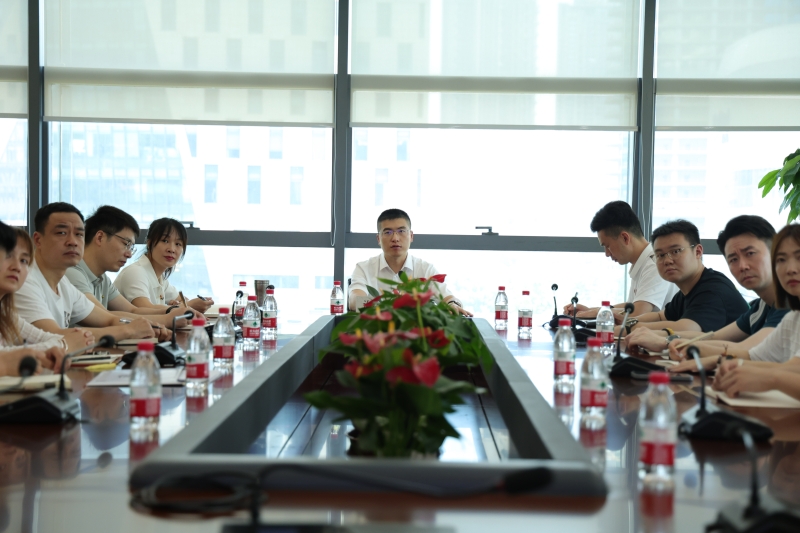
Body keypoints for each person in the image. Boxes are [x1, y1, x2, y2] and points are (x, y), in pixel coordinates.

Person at [628, 216, 788, 363]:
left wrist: (666, 342)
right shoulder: (760, 307)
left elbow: (748, 351)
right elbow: (713, 337)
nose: (742, 266)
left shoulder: (790, 303)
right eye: (733, 259)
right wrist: (660, 338)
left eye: (750, 253)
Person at [14, 203, 157, 342]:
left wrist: (151, 327)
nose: (73, 242)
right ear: (38, 240)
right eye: (62, 233)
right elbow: (55, 336)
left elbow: (109, 319)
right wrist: (129, 330)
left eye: (79, 234)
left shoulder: (63, 284)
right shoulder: (23, 281)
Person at [64, 206, 198, 332]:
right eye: (126, 244)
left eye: (131, 247)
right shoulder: (72, 273)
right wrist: (168, 319)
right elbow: (106, 318)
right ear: (100, 237)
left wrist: (171, 311)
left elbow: (133, 311)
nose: (129, 254)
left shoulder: (102, 279)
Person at [711, 224, 800, 400]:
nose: (790, 269)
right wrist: (732, 365)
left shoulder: (786, 309)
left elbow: (783, 370)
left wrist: (771, 378)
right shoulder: (793, 317)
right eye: (781, 260)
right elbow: (756, 357)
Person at [620, 219, 748, 337]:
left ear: (698, 252)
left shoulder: (714, 289)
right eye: (660, 255)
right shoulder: (686, 290)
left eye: (676, 251)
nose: (667, 260)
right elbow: (660, 316)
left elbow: (686, 328)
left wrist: (628, 328)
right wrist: (624, 320)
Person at [349, 208, 471, 315]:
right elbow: (354, 300)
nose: (395, 238)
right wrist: (389, 307)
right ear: (378, 239)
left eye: (401, 231)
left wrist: (453, 304)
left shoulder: (425, 269)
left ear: (411, 236)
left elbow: (448, 297)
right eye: (388, 232)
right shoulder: (363, 268)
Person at [0, 223, 85, 376]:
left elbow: (43, 338)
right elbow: (8, 358)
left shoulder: (5, 313)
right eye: (8, 256)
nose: (17, 267)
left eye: (24, 261)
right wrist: (66, 344)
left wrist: (61, 345)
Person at [564, 201, 676, 318]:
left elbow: (638, 313)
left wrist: (598, 312)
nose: (607, 254)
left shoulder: (654, 265)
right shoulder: (642, 262)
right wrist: (590, 310)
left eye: (607, 246)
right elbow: (632, 305)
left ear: (625, 238)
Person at [113, 217, 214, 314]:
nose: (171, 249)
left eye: (178, 244)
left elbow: (182, 300)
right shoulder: (135, 272)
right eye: (165, 241)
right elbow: (144, 309)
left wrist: (179, 305)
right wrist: (186, 306)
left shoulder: (160, 279)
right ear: (149, 243)